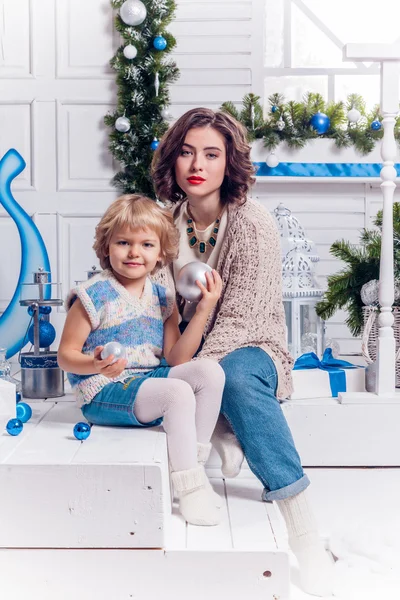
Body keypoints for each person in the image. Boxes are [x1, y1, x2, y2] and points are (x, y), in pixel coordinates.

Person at [151, 108, 334, 596]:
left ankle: (306, 534)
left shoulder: (251, 224)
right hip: (185, 352)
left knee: (231, 375)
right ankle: (223, 426)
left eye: (212, 154)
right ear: (172, 160)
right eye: (187, 151)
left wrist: (192, 377)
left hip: (253, 347)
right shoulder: (166, 223)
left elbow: (241, 319)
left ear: (228, 163)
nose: (197, 164)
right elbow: (153, 302)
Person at [57, 194, 226, 527]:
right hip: (106, 388)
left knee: (209, 372)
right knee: (177, 394)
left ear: (161, 252)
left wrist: (204, 309)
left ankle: (193, 466)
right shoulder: (93, 296)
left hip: (147, 379)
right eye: (123, 242)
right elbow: (65, 356)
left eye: (146, 244)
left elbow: (177, 357)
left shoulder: (163, 298)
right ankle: (190, 489)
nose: (135, 252)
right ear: (106, 247)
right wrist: (95, 365)